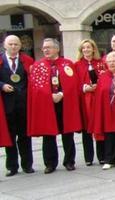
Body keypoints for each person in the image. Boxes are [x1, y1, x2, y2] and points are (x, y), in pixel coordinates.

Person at [27, 38, 82, 174]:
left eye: (49, 47)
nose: (46, 50)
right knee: (48, 135)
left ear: (57, 49)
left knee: (67, 134)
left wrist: (62, 93)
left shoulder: (67, 64)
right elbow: (35, 87)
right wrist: (49, 95)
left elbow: (73, 83)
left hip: (64, 103)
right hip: (47, 104)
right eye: (44, 48)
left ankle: (69, 161)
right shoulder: (38, 66)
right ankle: (50, 163)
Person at [0, 35, 34, 177]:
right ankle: (11, 166)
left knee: (25, 136)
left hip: (24, 104)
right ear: (4, 45)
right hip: (6, 104)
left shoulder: (27, 60)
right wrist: (1, 85)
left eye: (16, 44)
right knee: (10, 136)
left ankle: (27, 165)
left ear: (20, 46)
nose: (13, 47)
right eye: (10, 44)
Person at [93, 51, 115, 170]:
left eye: (114, 61)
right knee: (110, 135)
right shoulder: (103, 76)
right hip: (108, 110)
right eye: (109, 61)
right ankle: (110, 159)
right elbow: (99, 94)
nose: (112, 63)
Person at [75, 39, 106, 166]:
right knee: (86, 129)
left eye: (89, 47)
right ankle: (88, 157)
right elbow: (74, 83)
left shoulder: (101, 63)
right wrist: (84, 88)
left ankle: (102, 156)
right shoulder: (76, 65)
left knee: (99, 127)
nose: (86, 50)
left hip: (98, 99)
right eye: (84, 48)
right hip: (85, 100)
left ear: (94, 49)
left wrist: (98, 85)